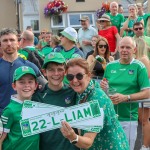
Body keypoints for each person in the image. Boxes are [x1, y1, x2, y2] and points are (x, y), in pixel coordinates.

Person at [60, 58, 129, 150]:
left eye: (79, 76)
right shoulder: (83, 92)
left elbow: (88, 141)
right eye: (70, 77)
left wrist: (72, 137)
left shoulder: (96, 99)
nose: (75, 81)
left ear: (88, 76)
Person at [100, 36, 150, 150]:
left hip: (129, 118)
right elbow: (105, 89)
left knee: (126, 148)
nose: (124, 50)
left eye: (128, 47)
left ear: (134, 50)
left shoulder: (139, 67)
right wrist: (103, 88)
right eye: (122, 47)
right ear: (118, 48)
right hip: (110, 116)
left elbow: (147, 93)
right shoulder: (110, 66)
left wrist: (126, 97)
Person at [32, 52, 79, 150]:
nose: (56, 74)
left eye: (60, 69)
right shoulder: (37, 97)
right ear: (44, 72)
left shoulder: (74, 92)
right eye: (51, 70)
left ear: (65, 71)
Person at [0, 28, 46, 115]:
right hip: (2, 118)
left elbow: (45, 88)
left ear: (18, 43)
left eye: (12, 40)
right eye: (5, 40)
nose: (9, 43)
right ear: (1, 44)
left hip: (25, 117)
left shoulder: (30, 66)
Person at [0, 66, 39, 150]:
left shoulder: (37, 106)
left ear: (35, 85)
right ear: (14, 86)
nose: (27, 85)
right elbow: (1, 139)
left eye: (30, 82)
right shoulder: (10, 110)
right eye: (21, 82)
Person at [134, 38, 150, 150]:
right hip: (142, 93)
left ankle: (145, 145)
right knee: (143, 120)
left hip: (145, 93)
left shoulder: (143, 59)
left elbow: (147, 76)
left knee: (144, 121)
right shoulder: (141, 59)